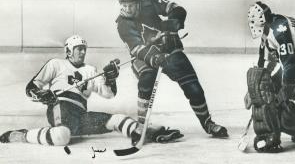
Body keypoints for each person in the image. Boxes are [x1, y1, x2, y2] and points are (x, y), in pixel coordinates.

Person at [0, 35, 183, 146]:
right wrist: (42, 94)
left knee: (117, 119)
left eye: (84, 49)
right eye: (78, 49)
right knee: (61, 136)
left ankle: (144, 132)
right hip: (60, 106)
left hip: (81, 114)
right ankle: (23, 135)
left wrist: (111, 78)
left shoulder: (91, 70)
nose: (82, 52)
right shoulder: (56, 64)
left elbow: (108, 94)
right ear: (69, 51)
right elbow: (31, 87)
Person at [116, 0, 228, 145]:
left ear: (138, 2)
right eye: (124, 5)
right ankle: (142, 126)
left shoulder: (149, 3)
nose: (127, 9)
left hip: (168, 49)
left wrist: (171, 26)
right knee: (146, 79)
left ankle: (208, 123)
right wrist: (154, 58)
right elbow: (137, 49)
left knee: (193, 87)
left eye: (131, 5)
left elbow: (177, 9)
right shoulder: (122, 24)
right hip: (144, 57)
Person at [246, 1, 295, 152]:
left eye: (252, 21)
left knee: (276, 100)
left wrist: (284, 91)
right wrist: (254, 88)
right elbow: (264, 62)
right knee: (265, 90)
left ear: (260, 20)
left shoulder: (280, 30)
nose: (251, 25)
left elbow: (291, 65)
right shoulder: (269, 28)